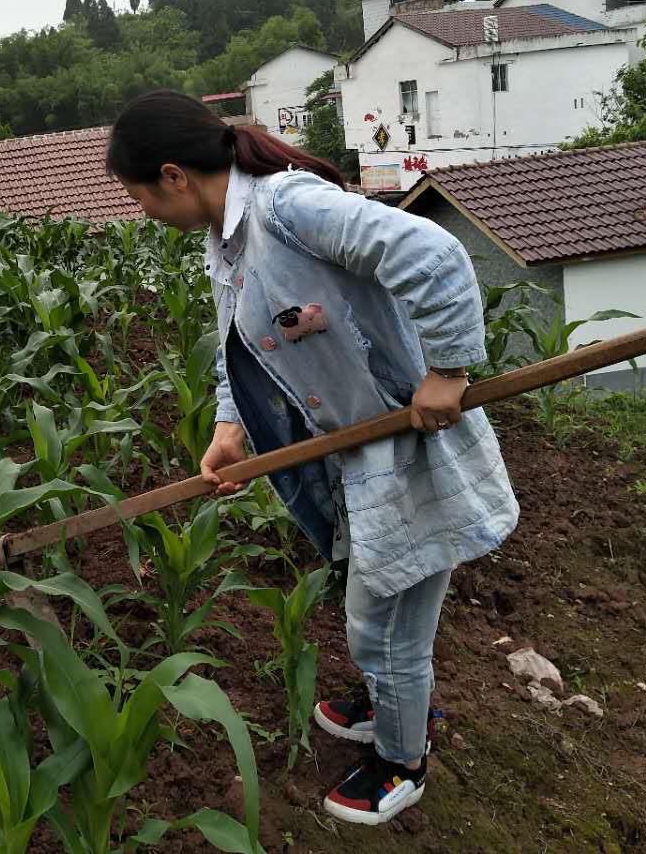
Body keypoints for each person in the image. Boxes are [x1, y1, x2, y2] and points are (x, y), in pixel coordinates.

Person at [106, 90, 518, 827]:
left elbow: (434, 252)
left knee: (380, 620)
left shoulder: (287, 209)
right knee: (379, 603)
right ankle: (396, 700)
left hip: (408, 444)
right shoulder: (228, 239)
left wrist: (449, 370)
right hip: (355, 459)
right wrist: (231, 425)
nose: (146, 214)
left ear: (173, 176)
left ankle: (403, 761)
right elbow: (240, 341)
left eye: (140, 198)